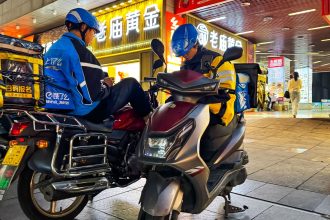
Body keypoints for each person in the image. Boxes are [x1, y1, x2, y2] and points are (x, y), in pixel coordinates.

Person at [44, 8, 151, 123]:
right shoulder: (80, 51)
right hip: (85, 110)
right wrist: (106, 84)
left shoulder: (52, 49)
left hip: (59, 108)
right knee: (132, 84)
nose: (93, 37)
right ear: (84, 27)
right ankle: (150, 121)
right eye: (93, 32)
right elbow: (93, 93)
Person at [171, 24, 236, 126]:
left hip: (218, 109)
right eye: (181, 54)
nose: (184, 56)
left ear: (195, 44)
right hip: (194, 106)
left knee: (199, 133)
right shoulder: (185, 66)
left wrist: (196, 98)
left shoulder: (216, 60)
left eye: (186, 52)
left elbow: (225, 93)